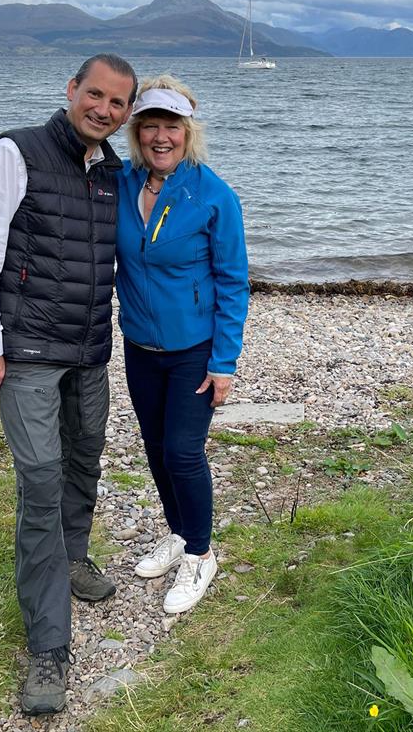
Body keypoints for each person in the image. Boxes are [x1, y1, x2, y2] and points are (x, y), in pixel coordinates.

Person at [0, 53, 137, 715]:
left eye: (119, 103)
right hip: (26, 351)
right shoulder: (16, 152)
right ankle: (47, 648)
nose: (105, 110)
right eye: (96, 95)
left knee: (85, 457)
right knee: (39, 481)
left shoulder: (114, 172)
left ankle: (76, 554)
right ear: (72, 90)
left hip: (88, 349)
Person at [115, 75, 249, 615]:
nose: (161, 137)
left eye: (172, 126)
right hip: (139, 344)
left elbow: (234, 281)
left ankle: (200, 553)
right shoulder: (122, 182)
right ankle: (177, 531)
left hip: (194, 348)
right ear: (137, 132)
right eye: (151, 126)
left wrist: (224, 361)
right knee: (153, 447)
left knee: (182, 451)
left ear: (188, 132)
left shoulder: (213, 195)